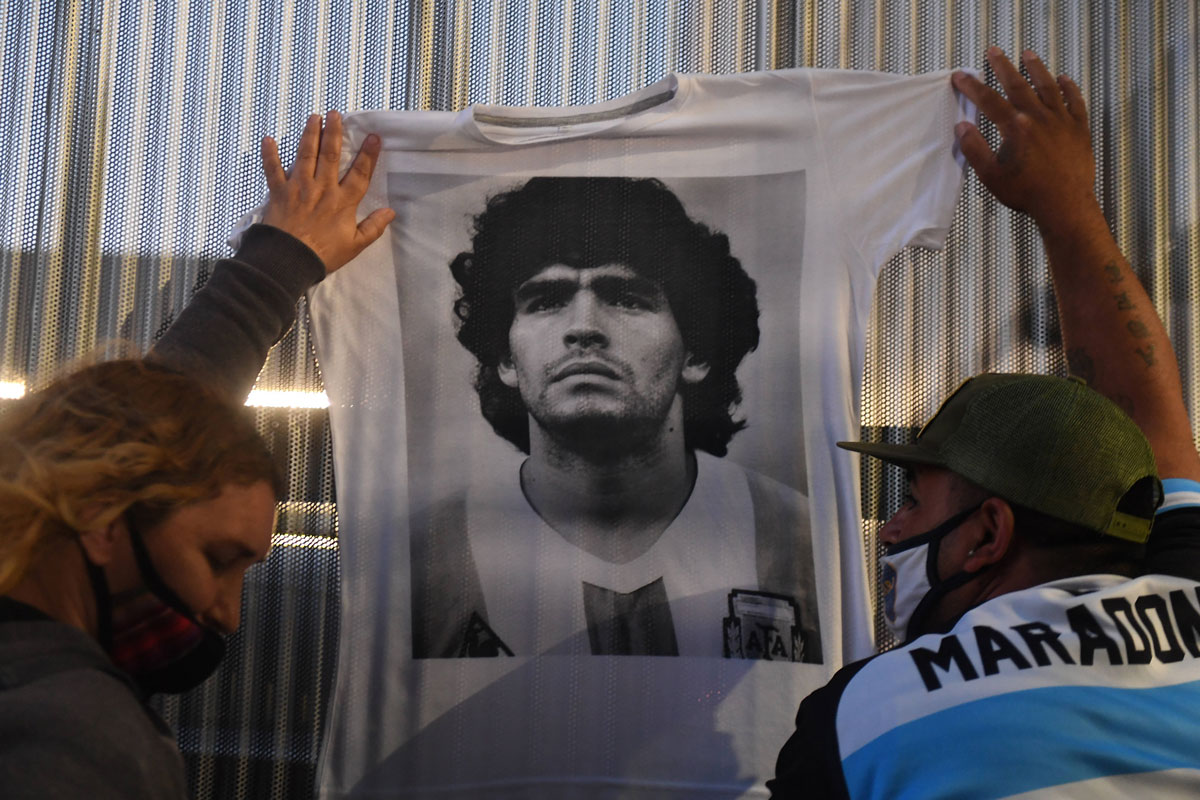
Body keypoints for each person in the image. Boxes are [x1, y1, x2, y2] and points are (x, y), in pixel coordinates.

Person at [767, 48, 1200, 798]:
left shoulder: (865, 720)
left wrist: (1061, 206)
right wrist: (1068, 207)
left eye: (912, 502)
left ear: (990, 535)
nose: (892, 531)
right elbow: (1161, 445)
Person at [0, 111, 393, 799]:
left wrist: (276, 264)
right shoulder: (73, 738)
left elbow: (149, 440)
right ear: (97, 510)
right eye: (219, 560)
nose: (229, 615)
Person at [410, 176, 822, 661]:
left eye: (627, 298)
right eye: (546, 301)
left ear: (695, 352)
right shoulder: (425, 557)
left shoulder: (798, 541)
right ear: (505, 359)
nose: (584, 328)